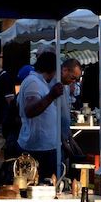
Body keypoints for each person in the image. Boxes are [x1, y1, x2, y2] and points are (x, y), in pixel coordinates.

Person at [17, 51, 64, 180]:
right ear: (52, 69)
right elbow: (30, 111)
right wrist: (51, 95)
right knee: (39, 185)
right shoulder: (33, 82)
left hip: (43, 145)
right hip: (38, 148)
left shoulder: (40, 82)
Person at [59, 59, 84, 165]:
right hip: (57, 141)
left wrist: (69, 137)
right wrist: (63, 141)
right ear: (64, 70)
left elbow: (64, 112)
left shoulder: (65, 87)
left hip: (64, 137)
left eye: (77, 79)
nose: (74, 81)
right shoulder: (55, 86)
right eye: (73, 77)